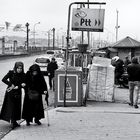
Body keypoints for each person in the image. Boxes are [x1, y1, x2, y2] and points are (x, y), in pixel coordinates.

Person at [0, 62, 26, 129]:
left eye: (21, 68)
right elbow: (3, 79)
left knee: (17, 107)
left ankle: (15, 122)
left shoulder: (23, 74)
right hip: (10, 92)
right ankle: (12, 122)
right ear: (15, 67)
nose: (19, 69)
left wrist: (19, 86)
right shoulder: (11, 73)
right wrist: (11, 84)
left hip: (18, 92)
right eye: (18, 68)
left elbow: (24, 83)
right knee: (11, 107)